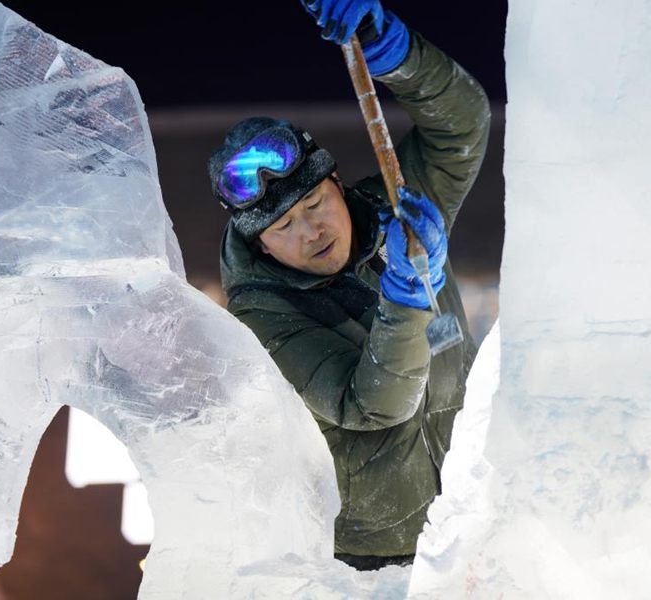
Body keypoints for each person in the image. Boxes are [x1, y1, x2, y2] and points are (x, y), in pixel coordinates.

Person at [208, 0, 490, 571]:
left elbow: (463, 122)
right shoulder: (262, 316)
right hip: (375, 560)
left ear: (337, 182)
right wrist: (405, 300)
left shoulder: (400, 212)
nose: (310, 230)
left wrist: (399, 54)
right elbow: (372, 405)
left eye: (314, 202)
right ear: (262, 245)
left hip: (478, 509)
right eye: (283, 227)